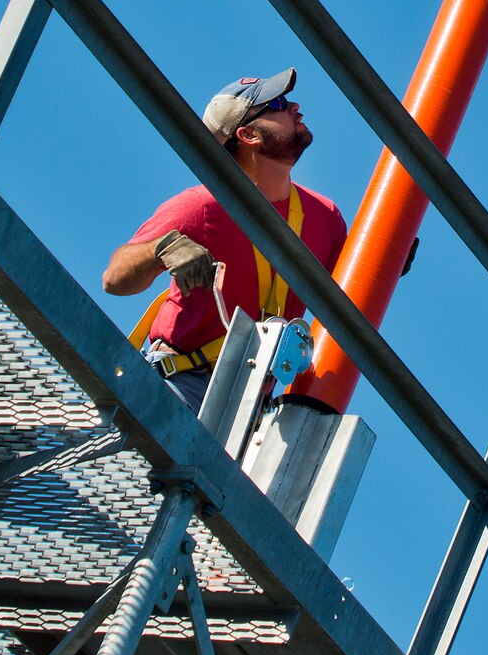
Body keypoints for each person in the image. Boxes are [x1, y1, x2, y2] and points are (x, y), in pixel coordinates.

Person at [103, 69, 347, 412]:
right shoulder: (203, 206)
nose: (294, 106)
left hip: (252, 406)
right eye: (277, 103)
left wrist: (389, 252)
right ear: (247, 134)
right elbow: (114, 279)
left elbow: (350, 290)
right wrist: (161, 249)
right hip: (184, 385)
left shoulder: (324, 216)